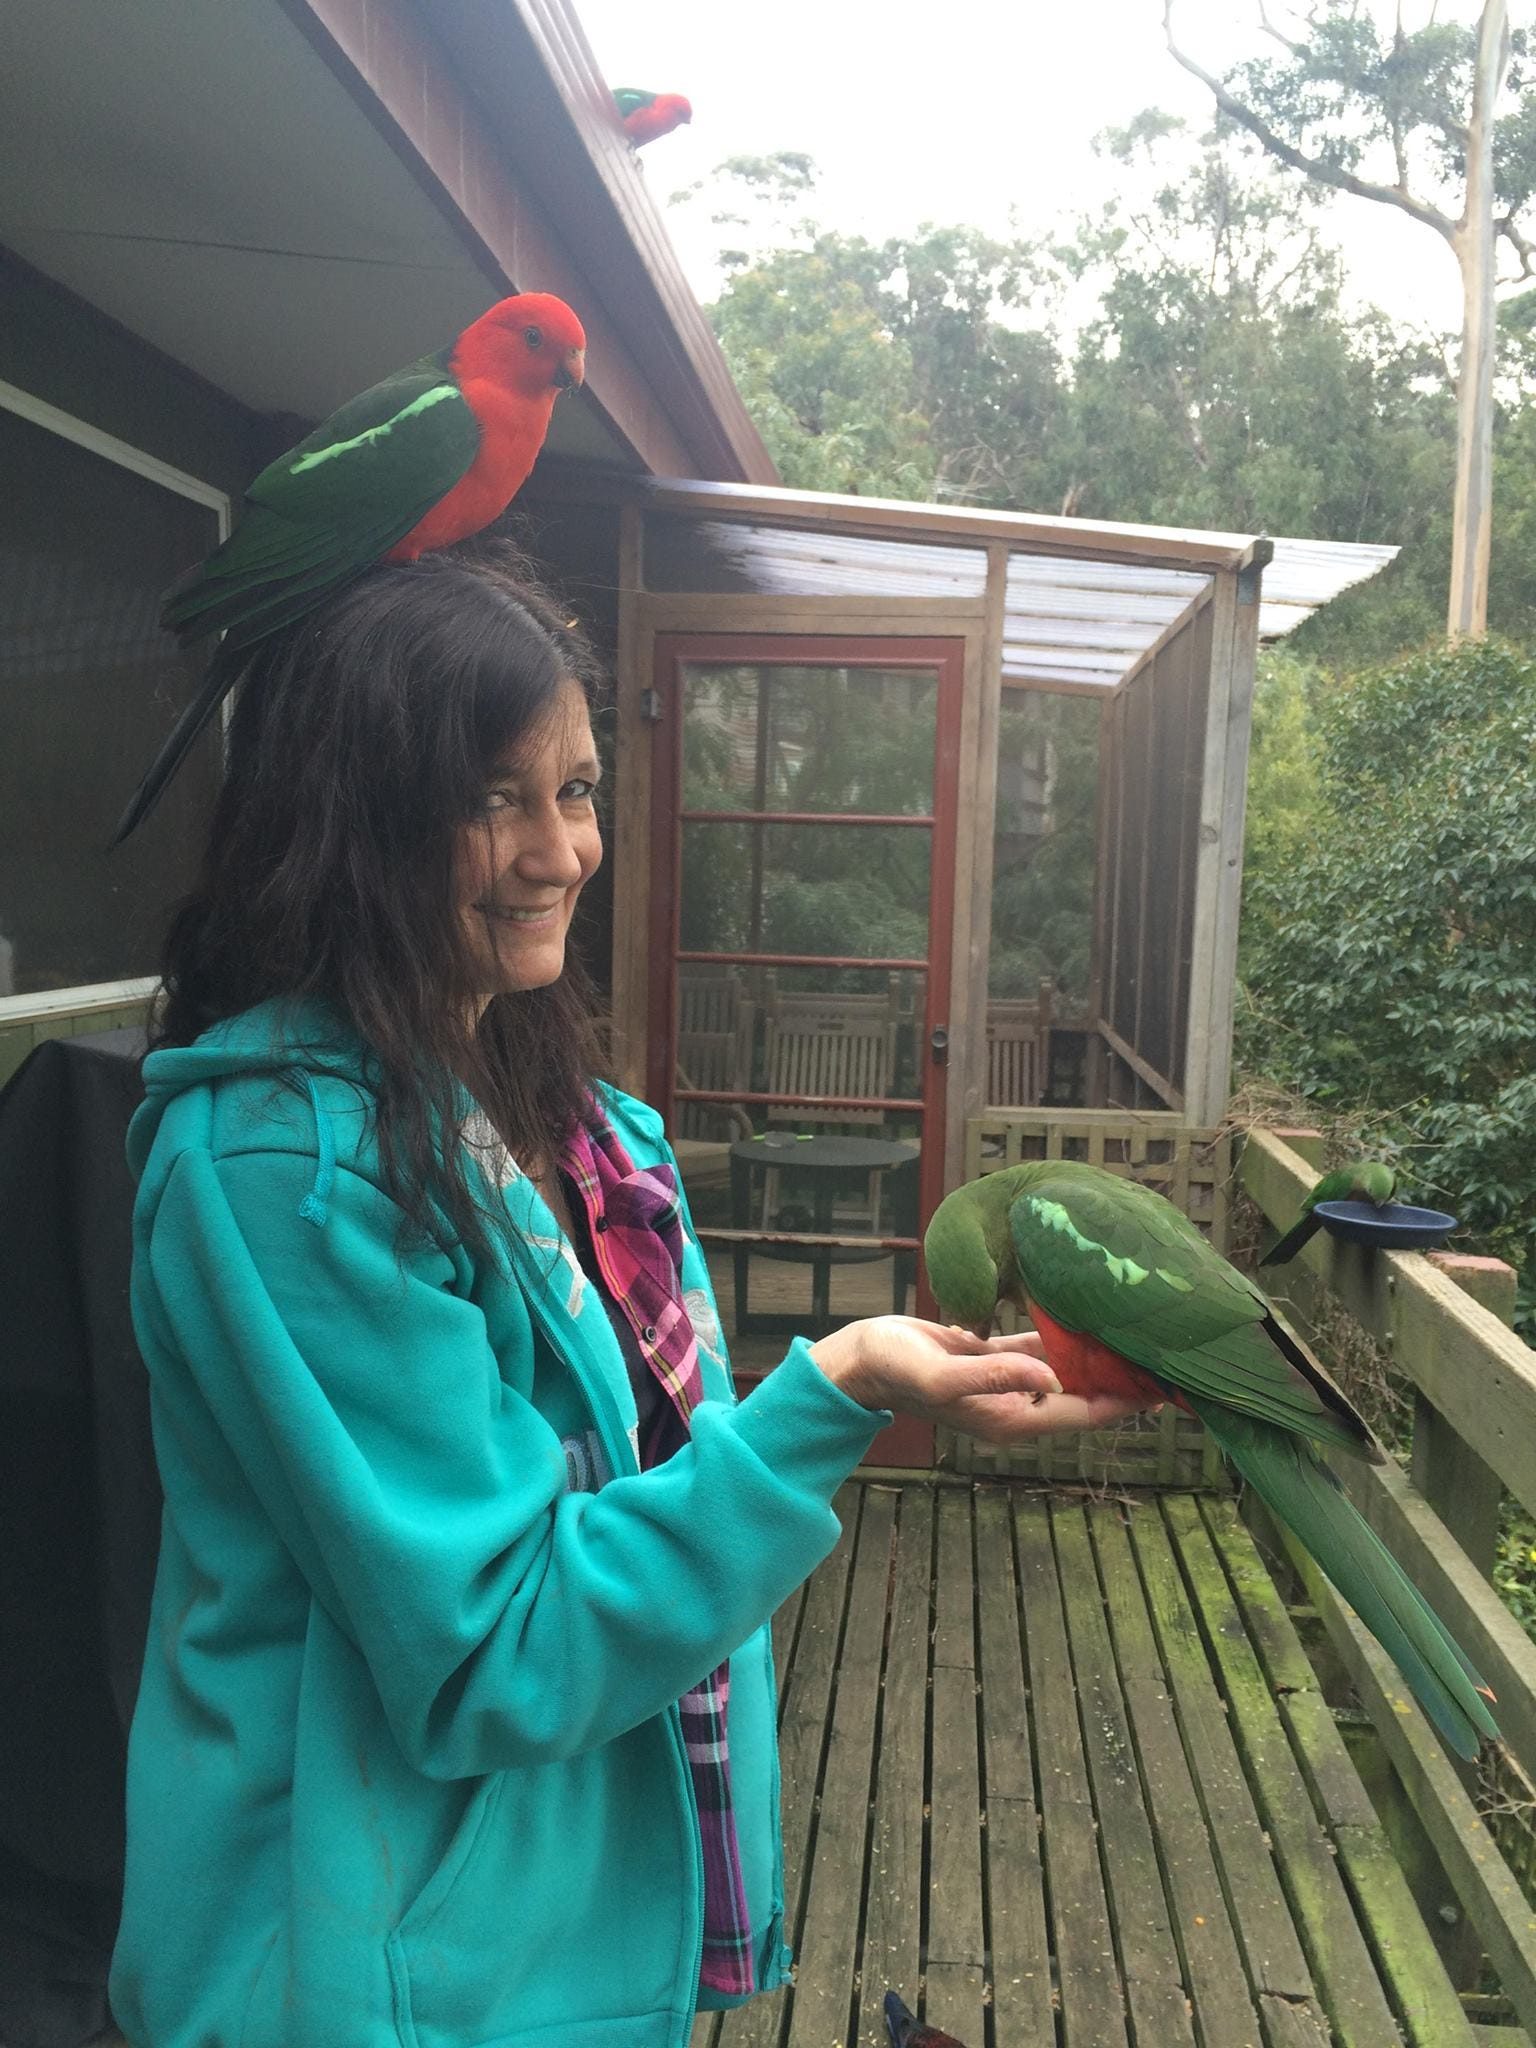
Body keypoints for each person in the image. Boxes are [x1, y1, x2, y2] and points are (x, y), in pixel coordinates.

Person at [109, 542, 1141, 2048]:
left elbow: (652, 1524)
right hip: (360, 1968)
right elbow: (493, 1651)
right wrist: (836, 1388)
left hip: (567, 1927)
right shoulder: (284, 1167)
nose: (560, 852)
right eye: (490, 798)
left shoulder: (586, 1136)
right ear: (353, 823)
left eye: (577, 789)